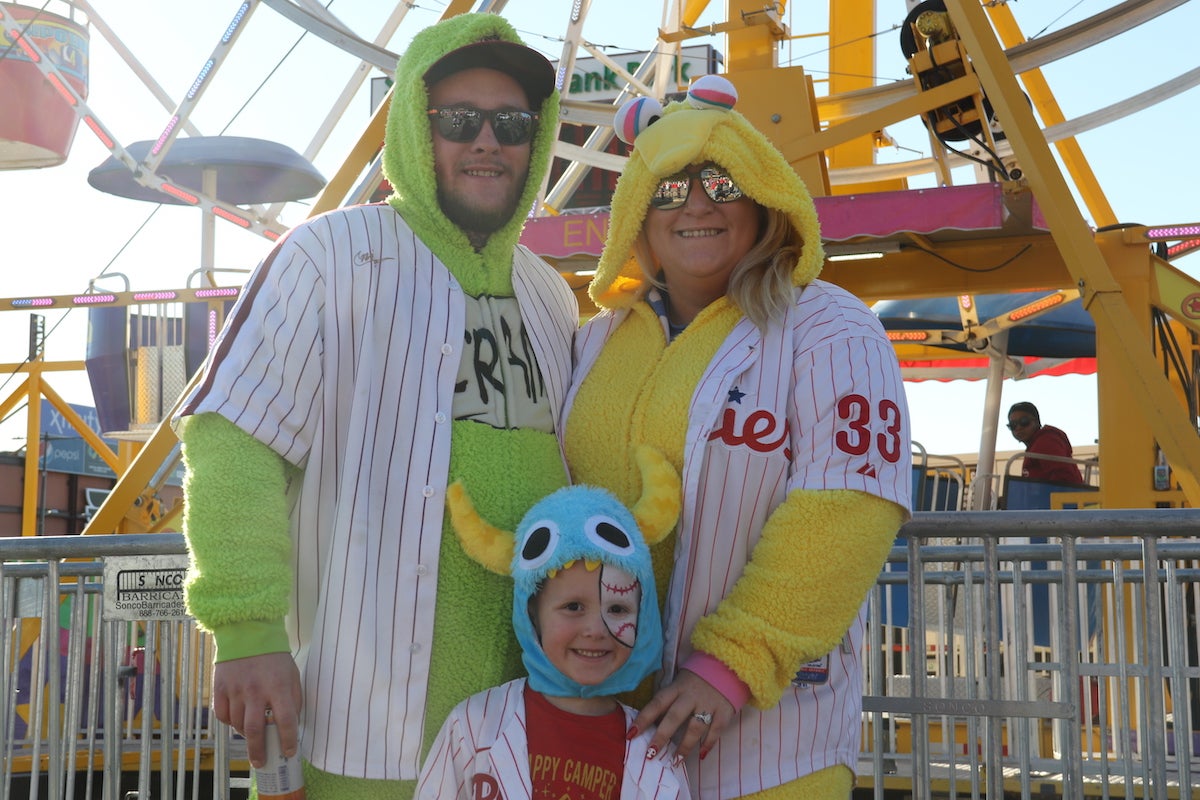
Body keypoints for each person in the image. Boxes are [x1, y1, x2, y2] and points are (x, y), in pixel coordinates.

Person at [175, 13, 576, 800]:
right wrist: (248, 629)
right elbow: (234, 439)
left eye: (514, 123)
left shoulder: (551, 295)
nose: (488, 142)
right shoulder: (325, 257)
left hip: (523, 723)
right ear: (413, 134)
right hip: (359, 723)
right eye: (460, 121)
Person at [560, 75, 913, 798]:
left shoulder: (829, 326)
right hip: (610, 736)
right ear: (635, 210)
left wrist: (729, 666)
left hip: (773, 740)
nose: (694, 203)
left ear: (762, 195)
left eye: (721, 182)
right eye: (667, 187)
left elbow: (846, 510)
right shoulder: (593, 344)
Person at [417, 450, 690, 798]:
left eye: (618, 608)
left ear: (645, 615)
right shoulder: (472, 727)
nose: (597, 628)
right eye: (573, 606)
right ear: (532, 615)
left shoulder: (658, 752)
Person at [1007, 401, 1085, 484]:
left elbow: (1064, 477)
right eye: (1013, 425)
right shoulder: (1035, 444)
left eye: (1024, 421)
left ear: (1037, 422)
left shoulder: (1046, 441)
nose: (1018, 428)